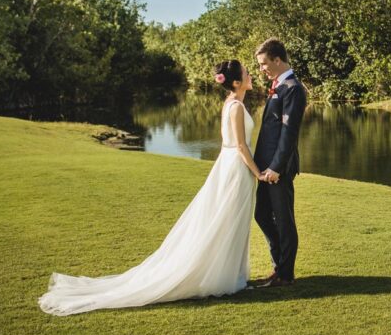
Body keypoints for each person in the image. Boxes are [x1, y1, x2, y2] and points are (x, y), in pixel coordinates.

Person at [38, 60, 262, 315]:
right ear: (235, 82)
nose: (250, 74)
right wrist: (259, 173)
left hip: (231, 165)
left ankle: (234, 274)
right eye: (246, 72)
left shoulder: (233, 104)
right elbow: (241, 146)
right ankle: (224, 276)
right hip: (234, 167)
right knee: (227, 219)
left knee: (233, 219)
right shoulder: (234, 107)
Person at [251, 38, 307, 288]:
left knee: (284, 220)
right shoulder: (278, 86)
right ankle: (279, 265)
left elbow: (289, 133)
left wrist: (275, 167)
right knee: (262, 214)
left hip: (278, 168)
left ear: (277, 59)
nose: (261, 68)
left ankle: (285, 274)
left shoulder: (293, 88)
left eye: (264, 63)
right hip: (265, 168)